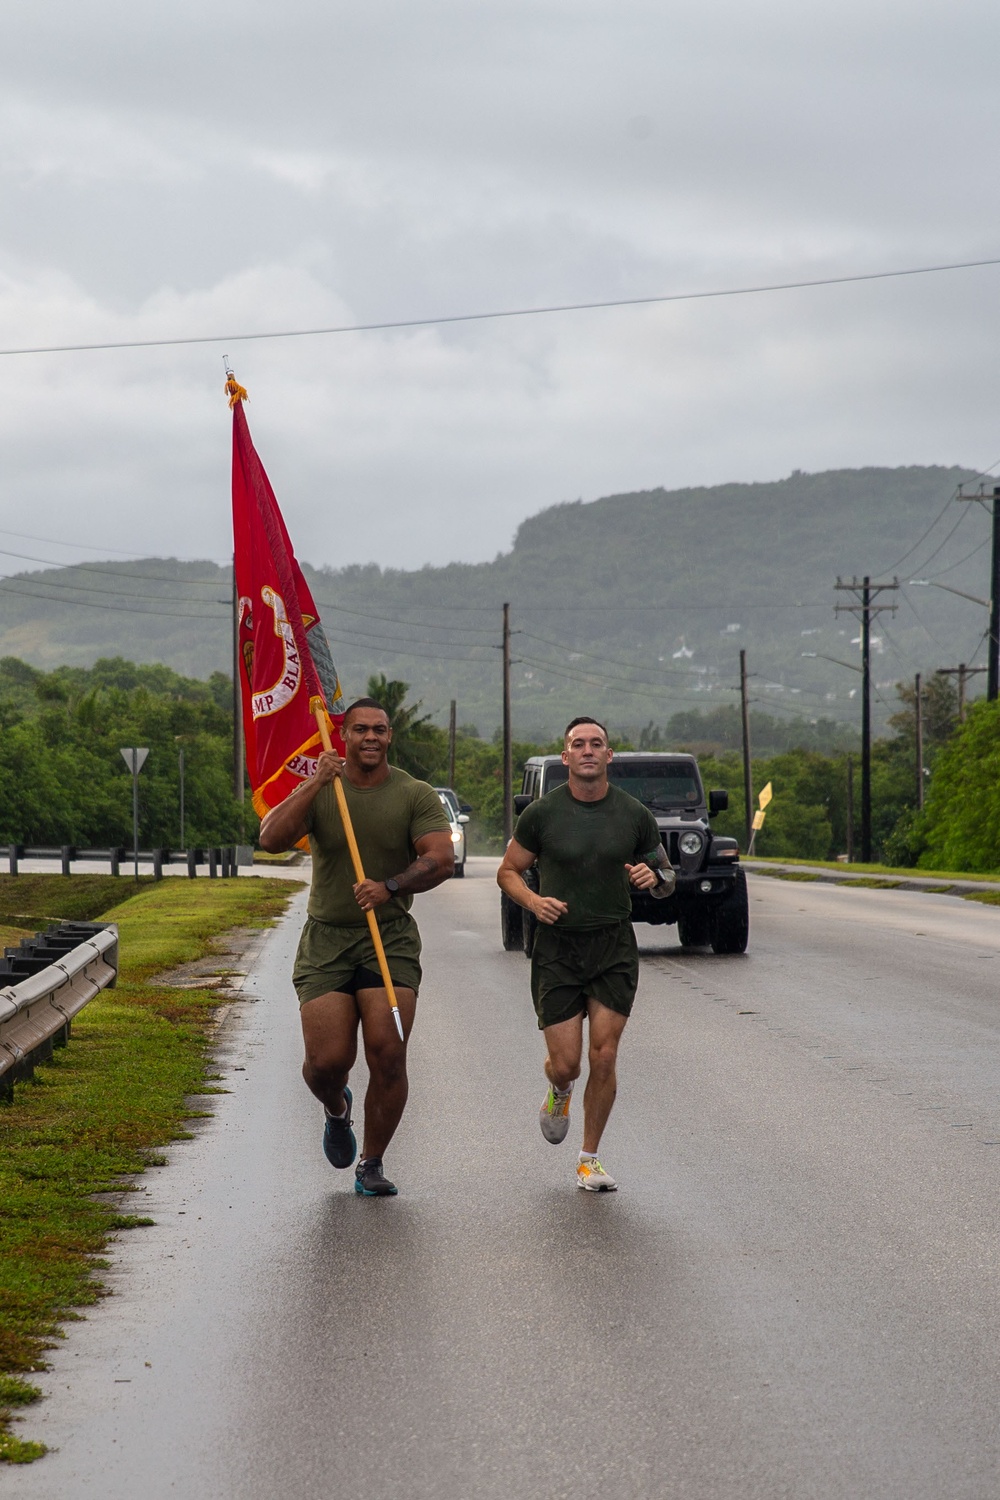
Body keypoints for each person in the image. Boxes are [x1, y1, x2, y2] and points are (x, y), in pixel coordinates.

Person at [259, 697, 453, 1197]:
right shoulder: (326, 789)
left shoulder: (414, 793)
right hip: (327, 940)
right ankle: (336, 1107)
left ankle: (371, 1163)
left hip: (388, 940)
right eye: (361, 729)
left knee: (388, 1055)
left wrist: (390, 885)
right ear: (343, 735)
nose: (371, 737)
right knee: (326, 1063)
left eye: (380, 730)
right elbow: (271, 838)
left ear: (391, 737)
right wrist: (315, 782)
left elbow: (440, 858)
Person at [496, 717, 674, 1192]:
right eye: (580, 744)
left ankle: (589, 1159)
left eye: (597, 744)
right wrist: (533, 902)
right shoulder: (541, 814)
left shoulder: (634, 814)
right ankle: (559, 1090)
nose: (589, 751)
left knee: (606, 1053)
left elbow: (667, 874)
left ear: (609, 756)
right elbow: (508, 871)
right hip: (557, 948)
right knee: (568, 1062)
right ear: (566, 756)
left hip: (612, 945)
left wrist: (654, 879)